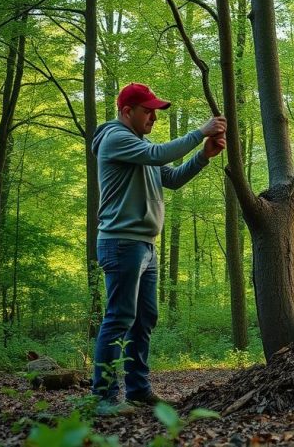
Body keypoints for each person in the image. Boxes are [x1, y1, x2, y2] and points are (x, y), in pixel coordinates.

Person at [90, 83, 226, 414]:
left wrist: (203, 156)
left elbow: (173, 177)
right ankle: (103, 398)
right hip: (122, 242)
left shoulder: (141, 145)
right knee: (119, 317)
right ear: (127, 112)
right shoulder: (116, 138)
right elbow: (158, 155)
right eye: (147, 110)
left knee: (144, 318)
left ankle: (138, 391)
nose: (153, 116)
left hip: (144, 246)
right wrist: (199, 132)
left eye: (155, 110)